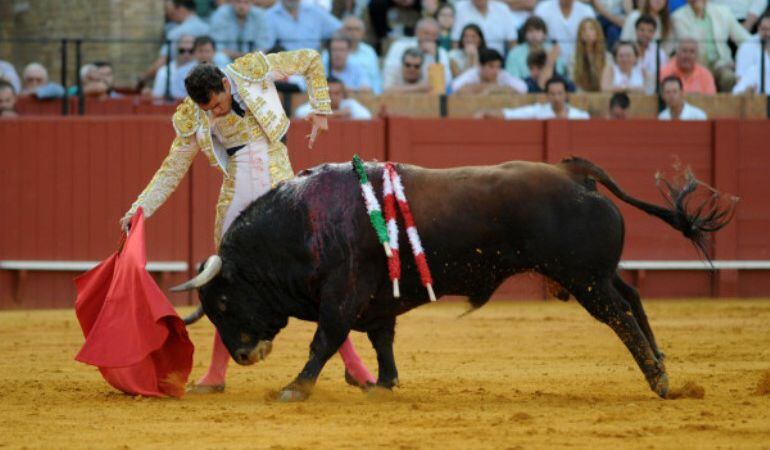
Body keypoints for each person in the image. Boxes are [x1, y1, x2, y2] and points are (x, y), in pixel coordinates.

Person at [120, 49, 375, 394]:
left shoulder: (251, 70)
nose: (215, 112)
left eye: (217, 104)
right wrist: (140, 209)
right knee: (224, 277)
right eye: (207, 109)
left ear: (226, 84)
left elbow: (311, 60)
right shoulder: (192, 115)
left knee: (313, 273)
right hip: (238, 187)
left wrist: (320, 108)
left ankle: (355, 366)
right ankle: (215, 374)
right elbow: (173, 168)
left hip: (278, 180)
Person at [672, 0, 752, 91]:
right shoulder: (678, 17)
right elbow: (689, 45)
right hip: (696, 67)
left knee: (729, 78)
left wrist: (741, 63)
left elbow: (745, 40)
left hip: (722, 65)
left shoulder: (723, 12)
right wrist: (698, 14)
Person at [383, 18, 453, 90]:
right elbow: (388, 83)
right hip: (398, 95)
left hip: (428, 98)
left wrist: (436, 57)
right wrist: (418, 87)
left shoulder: (441, 53)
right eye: (426, 33)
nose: (430, 38)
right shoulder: (399, 46)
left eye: (434, 35)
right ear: (417, 32)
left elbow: (447, 84)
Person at [479, 76, 590, 118]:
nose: (556, 98)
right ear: (547, 96)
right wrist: (485, 113)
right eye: (552, 94)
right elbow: (511, 114)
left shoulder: (580, 116)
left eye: (560, 93)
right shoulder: (538, 111)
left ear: (566, 95)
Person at [505, 16, 569, 81]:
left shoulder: (552, 50)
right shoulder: (514, 53)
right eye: (530, 31)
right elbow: (513, 79)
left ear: (544, 34)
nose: (534, 35)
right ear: (525, 34)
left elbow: (560, 73)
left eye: (538, 31)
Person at [265, 0, 341, 50]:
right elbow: (265, 48)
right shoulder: (268, 16)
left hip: (314, 68)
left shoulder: (315, 11)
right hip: (283, 70)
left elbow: (340, 29)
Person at [451, 0, 518, 54]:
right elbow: (455, 41)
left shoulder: (502, 8)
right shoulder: (460, 8)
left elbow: (512, 41)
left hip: (497, 60)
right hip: (469, 57)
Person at [451, 48, 528, 94]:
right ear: (480, 66)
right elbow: (455, 87)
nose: (495, 71)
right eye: (491, 66)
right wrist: (487, 87)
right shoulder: (473, 73)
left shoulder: (502, 74)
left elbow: (523, 88)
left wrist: (495, 89)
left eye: (498, 66)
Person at [294, 76, 372, 119]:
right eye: (329, 93)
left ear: (342, 95)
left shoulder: (349, 104)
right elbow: (300, 113)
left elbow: (366, 116)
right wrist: (338, 114)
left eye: (337, 93)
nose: (332, 97)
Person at [340, 16, 382, 94]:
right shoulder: (331, 51)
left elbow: (376, 79)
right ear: (342, 31)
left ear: (363, 33)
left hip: (369, 97)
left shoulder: (369, 51)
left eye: (356, 29)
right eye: (349, 29)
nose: (353, 33)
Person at [152, 35, 197, 99]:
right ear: (176, 49)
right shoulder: (164, 71)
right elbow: (157, 96)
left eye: (190, 51)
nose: (186, 54)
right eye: (182, 50)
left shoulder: (201, 71)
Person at [571, 18, 609, 92]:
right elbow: (574, 81)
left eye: (591, 29)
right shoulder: (574, 57)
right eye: (584, 30)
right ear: (580, 35)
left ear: (598, 33)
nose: (587, 32)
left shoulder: (607, 56)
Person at [735, 12, 770, 89]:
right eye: (764, 29)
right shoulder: (747, 46)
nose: (767, 33)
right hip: (755, 94)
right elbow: (740, 79)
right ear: (758, 29)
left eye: (769, 30)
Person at [634, 14, 668, 80]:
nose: (645, 34)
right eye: (642, 30)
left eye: (650, 31)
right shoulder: (627, 51)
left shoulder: (660, 54)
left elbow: (663, 76)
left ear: (654, 33)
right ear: (636, 30)